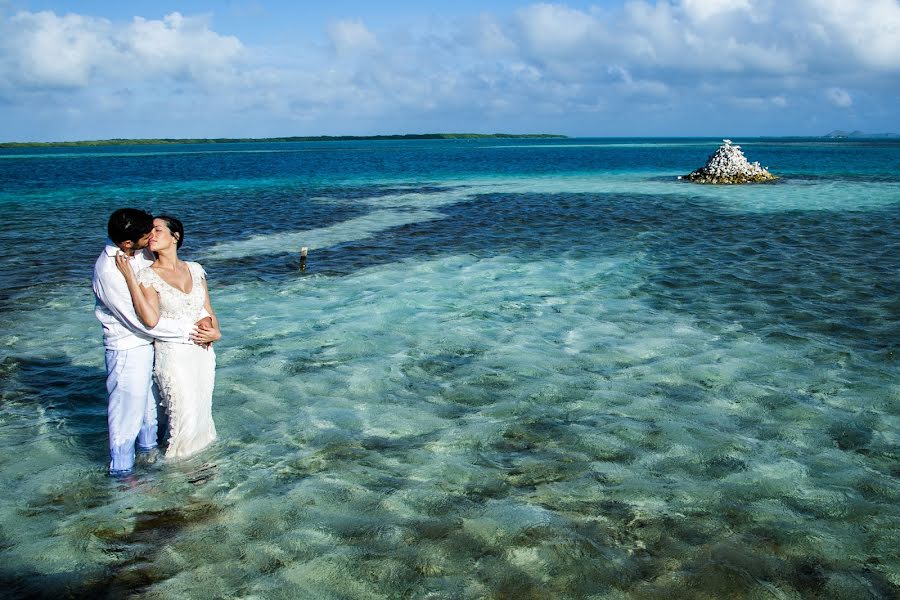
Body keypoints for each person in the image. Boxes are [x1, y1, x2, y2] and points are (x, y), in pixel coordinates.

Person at [93, 208, 217, 475]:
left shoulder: (144, 255)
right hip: (130, 347)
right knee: (127, 414)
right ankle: (122, 475)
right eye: (147, 233)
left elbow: (202, 307)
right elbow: (141, 321)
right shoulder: (111, 270)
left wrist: (213, 330)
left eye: (155, 230)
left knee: (153, 413)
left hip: (172, 346)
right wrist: (191, 334)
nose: (151, 235)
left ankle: (151, 463)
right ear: (128, 243)